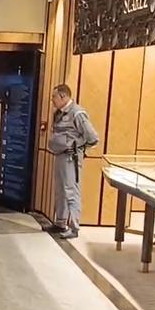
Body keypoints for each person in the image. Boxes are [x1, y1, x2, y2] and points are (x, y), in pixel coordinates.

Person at [46, 84, 98, 239]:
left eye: (54, 97)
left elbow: (93, 137)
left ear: (63, 96)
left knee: (71, 191)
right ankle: (60, 222)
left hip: (70, 158)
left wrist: (77, 148)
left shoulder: (77, 113)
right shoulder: (59, 113)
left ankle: (74, 227)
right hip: (60, 156)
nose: (52, 100)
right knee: (60, 190)